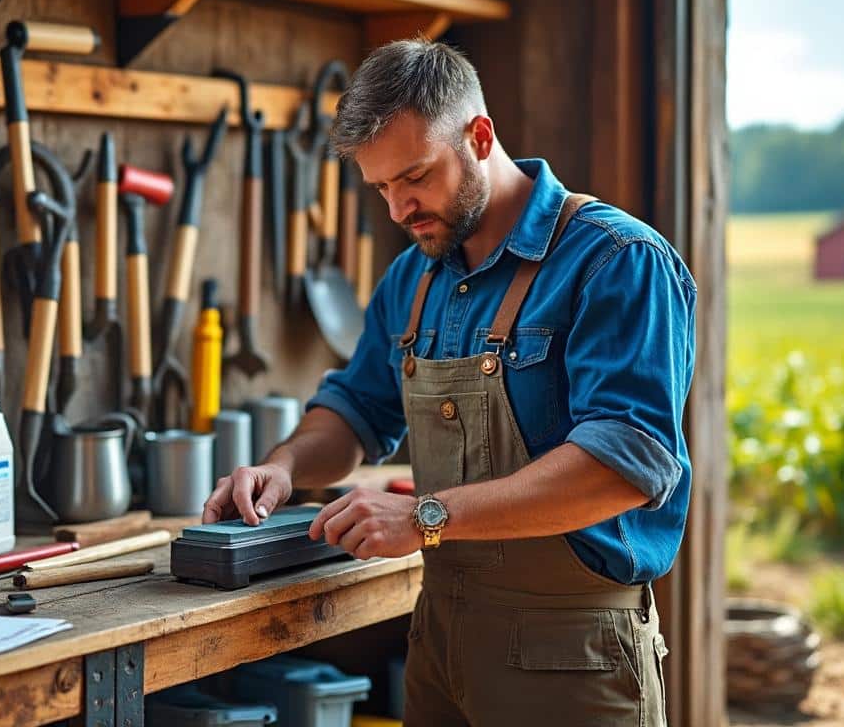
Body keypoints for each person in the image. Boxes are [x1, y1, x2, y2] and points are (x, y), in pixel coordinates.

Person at [201, 39, 695, 726]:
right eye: (381, 188)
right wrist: (283, 466)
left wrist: (424, 516)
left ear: (480, 135)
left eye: (416, 177)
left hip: (572, 654)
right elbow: (355, 410)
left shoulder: (617, 261)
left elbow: (624, 468)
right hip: (441, 639)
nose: (400, 209)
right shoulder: (415, 277)